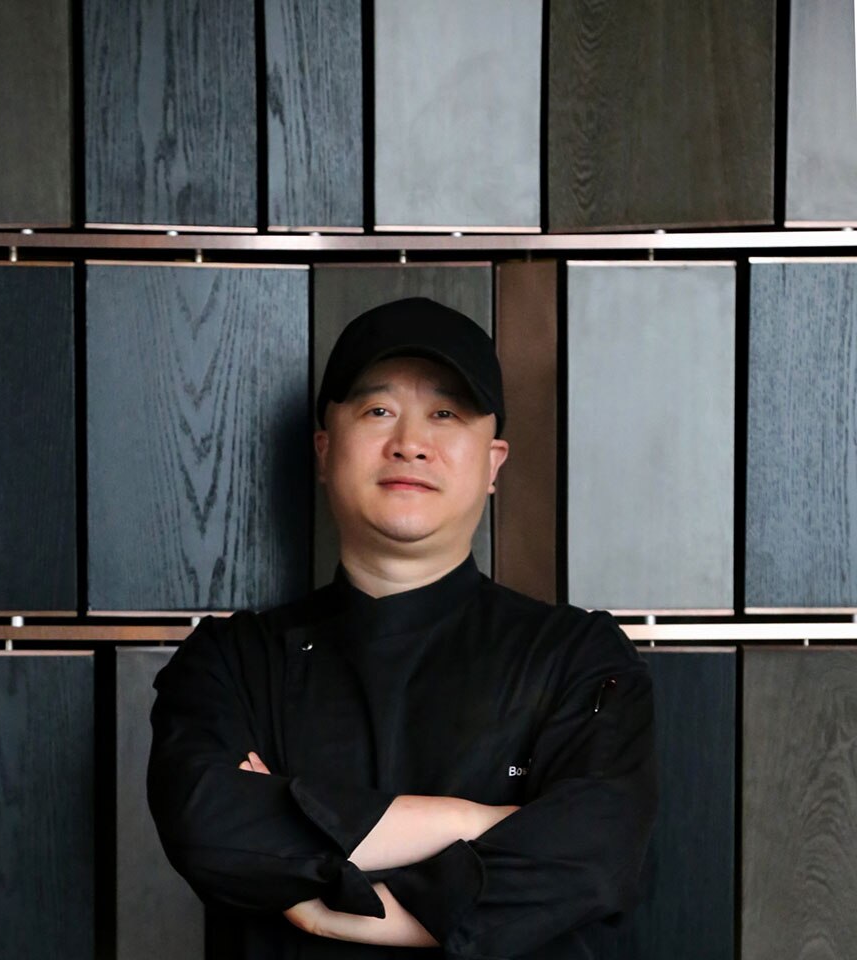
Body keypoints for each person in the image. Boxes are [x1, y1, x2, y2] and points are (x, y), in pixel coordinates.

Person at [147, 296, 657, 959]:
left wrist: (357, 910)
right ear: (324, 451)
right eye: (378, 411)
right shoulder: (230, 661)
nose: (410, 443)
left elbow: (595, 854)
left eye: (445, 414)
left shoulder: (579, 658)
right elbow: (211, 828)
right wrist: (476, 821)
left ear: (493, 463)